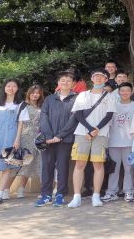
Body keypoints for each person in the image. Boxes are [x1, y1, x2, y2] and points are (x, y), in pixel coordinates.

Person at [68, 69, 116, 208]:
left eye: (102, 76)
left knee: (98, 164)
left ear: (106, 79)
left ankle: (96, 195)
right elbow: (78, 114)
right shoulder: (83, 94)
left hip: (101, 134)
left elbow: (109, 115)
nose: (99, 78)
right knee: (80, 164)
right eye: (96, 76)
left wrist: (96, 129)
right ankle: (76, 196)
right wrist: (90, 129)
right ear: (92, 79)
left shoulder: (110, 96)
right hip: (82, 133)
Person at [0, 79, 29, 205]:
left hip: (10, 137)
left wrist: (17, 139)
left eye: (14, 86)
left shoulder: (21, 105)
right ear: (4, 88)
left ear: (17, 89)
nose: (11, 88)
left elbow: (20, 124)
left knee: (6, 166)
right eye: (8, 86)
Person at [36, 71, 79, 207]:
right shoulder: (49, 99)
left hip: (65, 140)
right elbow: (43, 117)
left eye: (68, 81)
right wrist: (49, 136)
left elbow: (74, 119)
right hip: (48, 140)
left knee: (62, 167)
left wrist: (60, 136)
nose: (65, 83)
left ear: (73, 84)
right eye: (62, 80)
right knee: (46, 167)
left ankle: (60, 194)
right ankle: (46, 195)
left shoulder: (77, 99)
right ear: (58, 83)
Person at [101, 83, 134, 203]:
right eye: (122, 91)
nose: (125, 93)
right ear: (118, 92)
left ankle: (129, 191)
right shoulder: (113, 106)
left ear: (131, 92)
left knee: (129, 169)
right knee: (114, 168)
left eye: (127, 90)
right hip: (113, 141)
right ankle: (111, 192)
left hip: (130, 142)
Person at [15, 84, 45, 198]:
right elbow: (20, 123)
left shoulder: (42, 106)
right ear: (29, 93)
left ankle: (44, 190)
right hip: (26, 137)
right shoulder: (23, 105)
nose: (35, 95)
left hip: (40, 137)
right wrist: (17, 139)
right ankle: (21, 189)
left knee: (41, 163)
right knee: (26, 163)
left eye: (37, 93)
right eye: (33, 93)